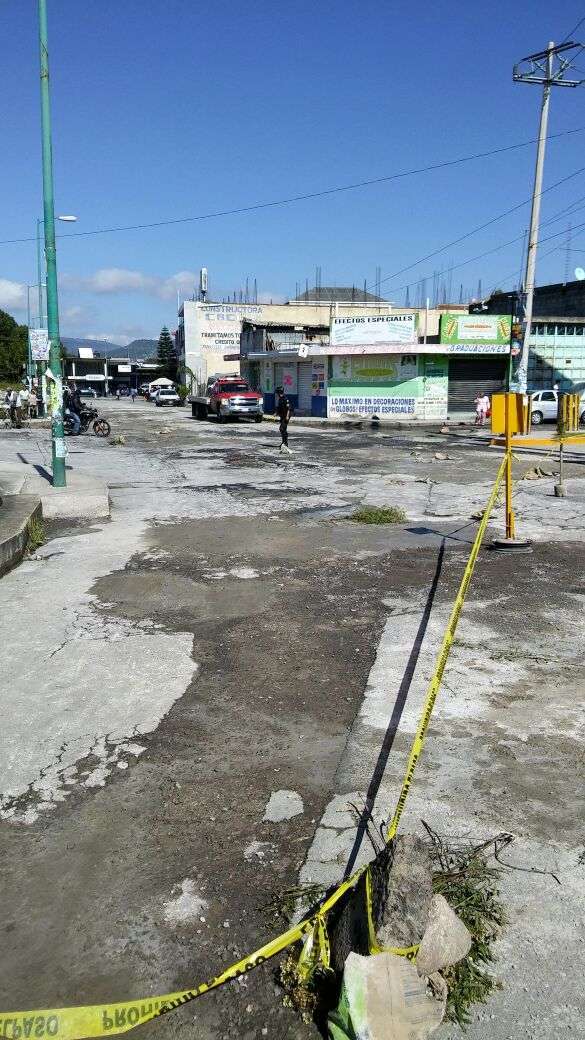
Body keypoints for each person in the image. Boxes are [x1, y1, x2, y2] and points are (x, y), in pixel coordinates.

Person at [275, 385, 292, 454]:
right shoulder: (280, 399)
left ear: (279, 392)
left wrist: (287, 416)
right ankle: (283, 442)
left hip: (286, 416)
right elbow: (279, 408)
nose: (277, 394)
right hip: (282, 416)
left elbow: (288, 409)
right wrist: (276, 413)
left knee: (282, 428)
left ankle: (285, 443)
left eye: (277, 393)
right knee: (283, 429)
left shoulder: (285, 399)